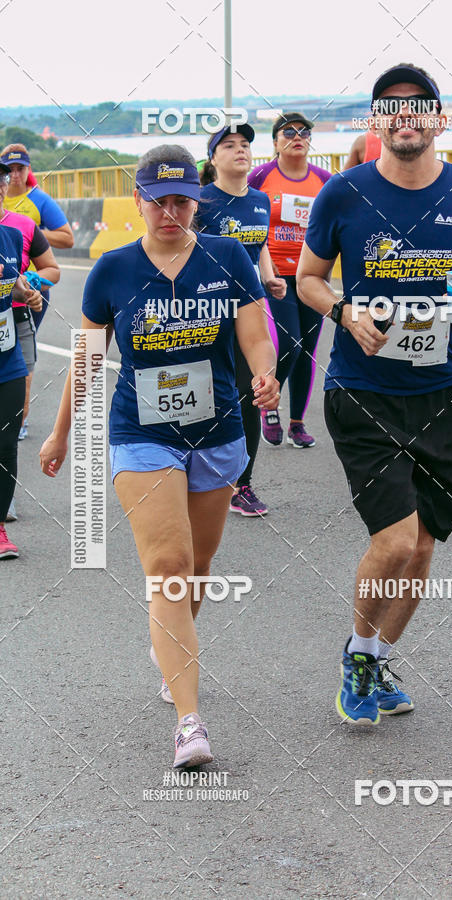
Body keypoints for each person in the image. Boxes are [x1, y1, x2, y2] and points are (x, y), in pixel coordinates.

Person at [297, 63, 452, 725]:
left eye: (419, 107)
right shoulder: (343, 194)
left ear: (439, 119)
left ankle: (376, 657)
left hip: (443, 393)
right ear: (375, 123)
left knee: (423, 547)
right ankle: (360, 656)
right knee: (395, 541)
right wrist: (342, 312)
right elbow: (310, 278)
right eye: (390, 109)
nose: (405, 117)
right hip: (362, 388)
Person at [40, 145, 279, 767]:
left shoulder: (227, 257)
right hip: (141, 432)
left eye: (182, 200)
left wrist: (264, 374)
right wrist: (61, 434)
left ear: (197, 201)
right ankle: (189, 722)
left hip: (220, 431)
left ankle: (169, 646)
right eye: (159, 200)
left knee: (196, 569)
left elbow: (256, 331)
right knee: (169, 564)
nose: (170, 212)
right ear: (140, 200)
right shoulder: (113, 271)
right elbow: (89, 360)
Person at [198, 123, 286, 516]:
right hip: (209, 311)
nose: (240, 150)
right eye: (229, 145)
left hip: (250, 309)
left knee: (252, 392)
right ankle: (194, 474)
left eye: (246, 144)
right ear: (213, 158)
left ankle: (242, 485)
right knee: (211, 395)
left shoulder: (261, 201)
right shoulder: (201, 201)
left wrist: (268, 276)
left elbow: (260, 243)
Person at [248, 113, 330, 449]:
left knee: (307, 350)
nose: (297, 136)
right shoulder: (261, 176)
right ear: (276, 142)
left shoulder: (325, 180)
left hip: (312, 275)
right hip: (276, 275)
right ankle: (269, 403)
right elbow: (243, 210)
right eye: (289, 132)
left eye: (304, 132)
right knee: (291, 342)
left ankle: (297, 423)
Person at [0, 159, 60, 521]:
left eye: (1, 180)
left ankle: (2, 516)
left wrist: (30, 290)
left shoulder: (16, 230)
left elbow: (30, 274)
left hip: (10, 340)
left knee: (7, 436)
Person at [2, 143, 72, 439]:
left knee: (22, 370)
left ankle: (16, 421)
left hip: (20, 310)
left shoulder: (29, 217)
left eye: (20, 169)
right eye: (10, 170)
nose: (15, 176)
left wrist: (31, 281)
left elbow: (56, 261)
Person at [0, 224, 43, 558]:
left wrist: (27, 293)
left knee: (5, 445)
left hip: (7, 358)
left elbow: (12, 286)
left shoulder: (10, 237)